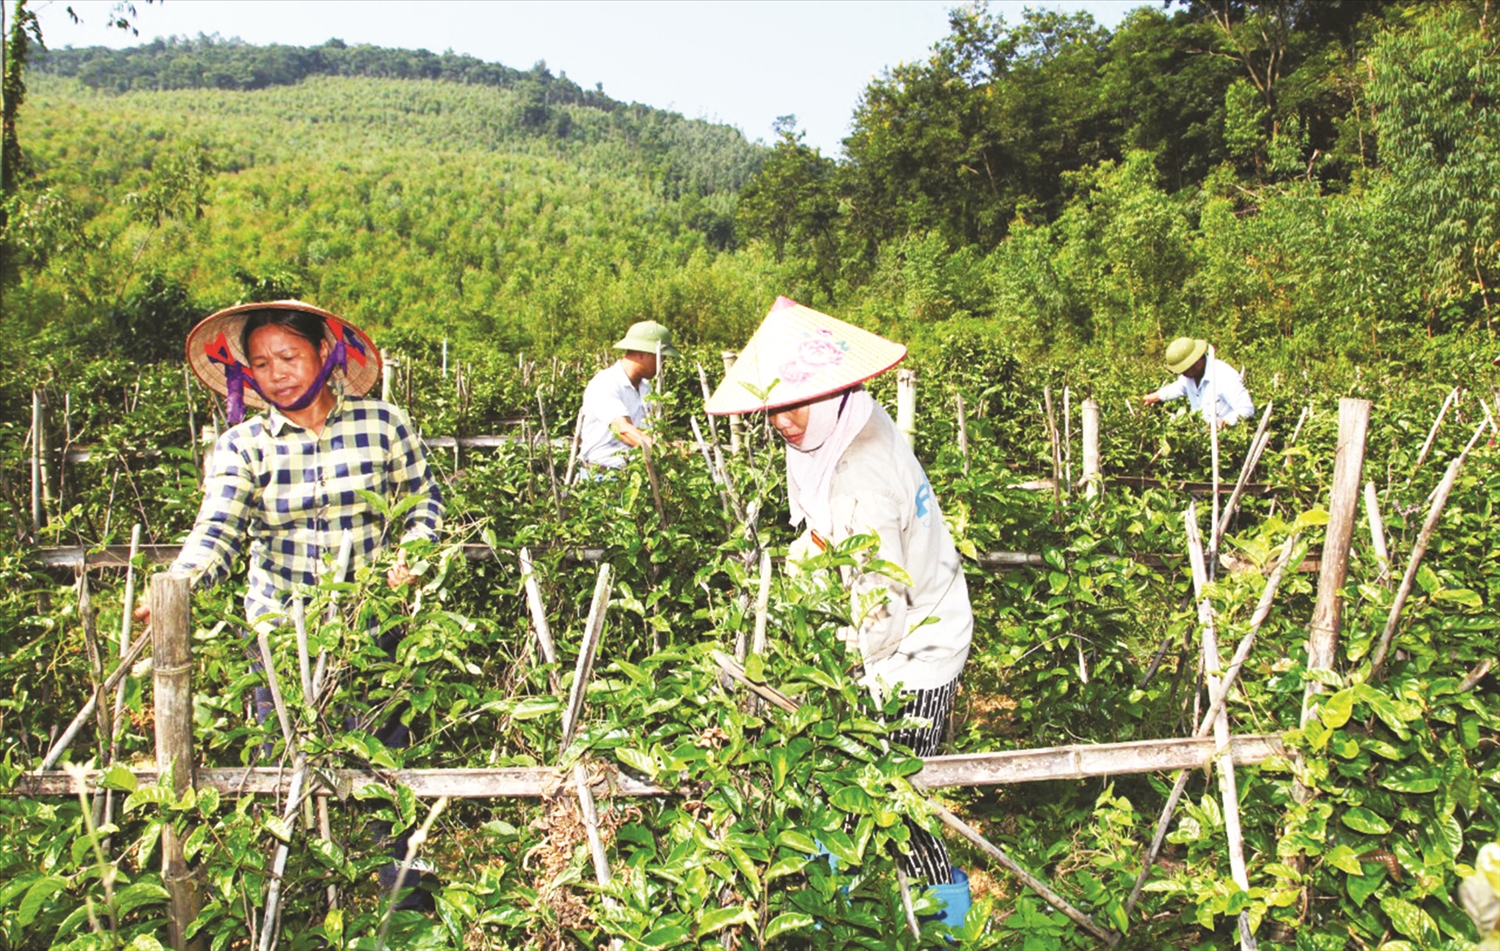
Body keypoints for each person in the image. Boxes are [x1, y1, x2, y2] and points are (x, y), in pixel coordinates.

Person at [138, 299, 444, 904]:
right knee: (286, 769)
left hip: (370, 627)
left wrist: (417, 550)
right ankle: (295, 904)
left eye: (289, 356)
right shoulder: (242, 444)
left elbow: (424, 501)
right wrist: (176, 586)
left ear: (326, 356)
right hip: (280, 634)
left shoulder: (384, 423)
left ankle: (403, 907)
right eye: (261, 362)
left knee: (384, 766)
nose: (276, 372)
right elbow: (217, 529)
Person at [707, 296, 972, 921]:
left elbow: (880, 617)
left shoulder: (860, 473)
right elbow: (828, 537)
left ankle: (947, 918)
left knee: (899, 801)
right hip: (897, 625)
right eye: (773, 404)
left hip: (917, 650)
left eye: (795, 403)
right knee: (860, 786)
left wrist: (815, 672)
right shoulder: (846, 422)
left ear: (828, 394)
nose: (780, 419)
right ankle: (860, 903)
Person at [576, 320, 678, 471]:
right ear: (641, 353)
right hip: (602, 477)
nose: (663, 362)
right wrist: (666, 450)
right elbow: (623, 430)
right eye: (660, 356)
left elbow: (648, 429)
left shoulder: (645, 388)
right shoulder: (605, 383)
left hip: (633, 473)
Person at [1140, 336, 1254, 428]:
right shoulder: (1189, 376)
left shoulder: (1224, 375)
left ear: (1196, 361)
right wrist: (1156, 396)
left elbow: (1246, 409)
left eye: (1184, 369)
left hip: (1227, 442)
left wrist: (1223, 424)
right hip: (1202, 438)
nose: (1182, 374)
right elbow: (1179, 387)